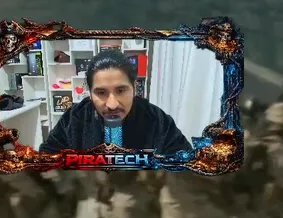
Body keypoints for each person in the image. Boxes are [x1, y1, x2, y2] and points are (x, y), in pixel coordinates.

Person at [39, 49, 191, 154]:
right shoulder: (74, 119)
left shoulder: (157, 120)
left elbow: (184, 164)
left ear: (134, 88)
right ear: (90, 94)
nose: (112, 104)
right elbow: (46, 160)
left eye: (121, 90)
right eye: (101, 93)